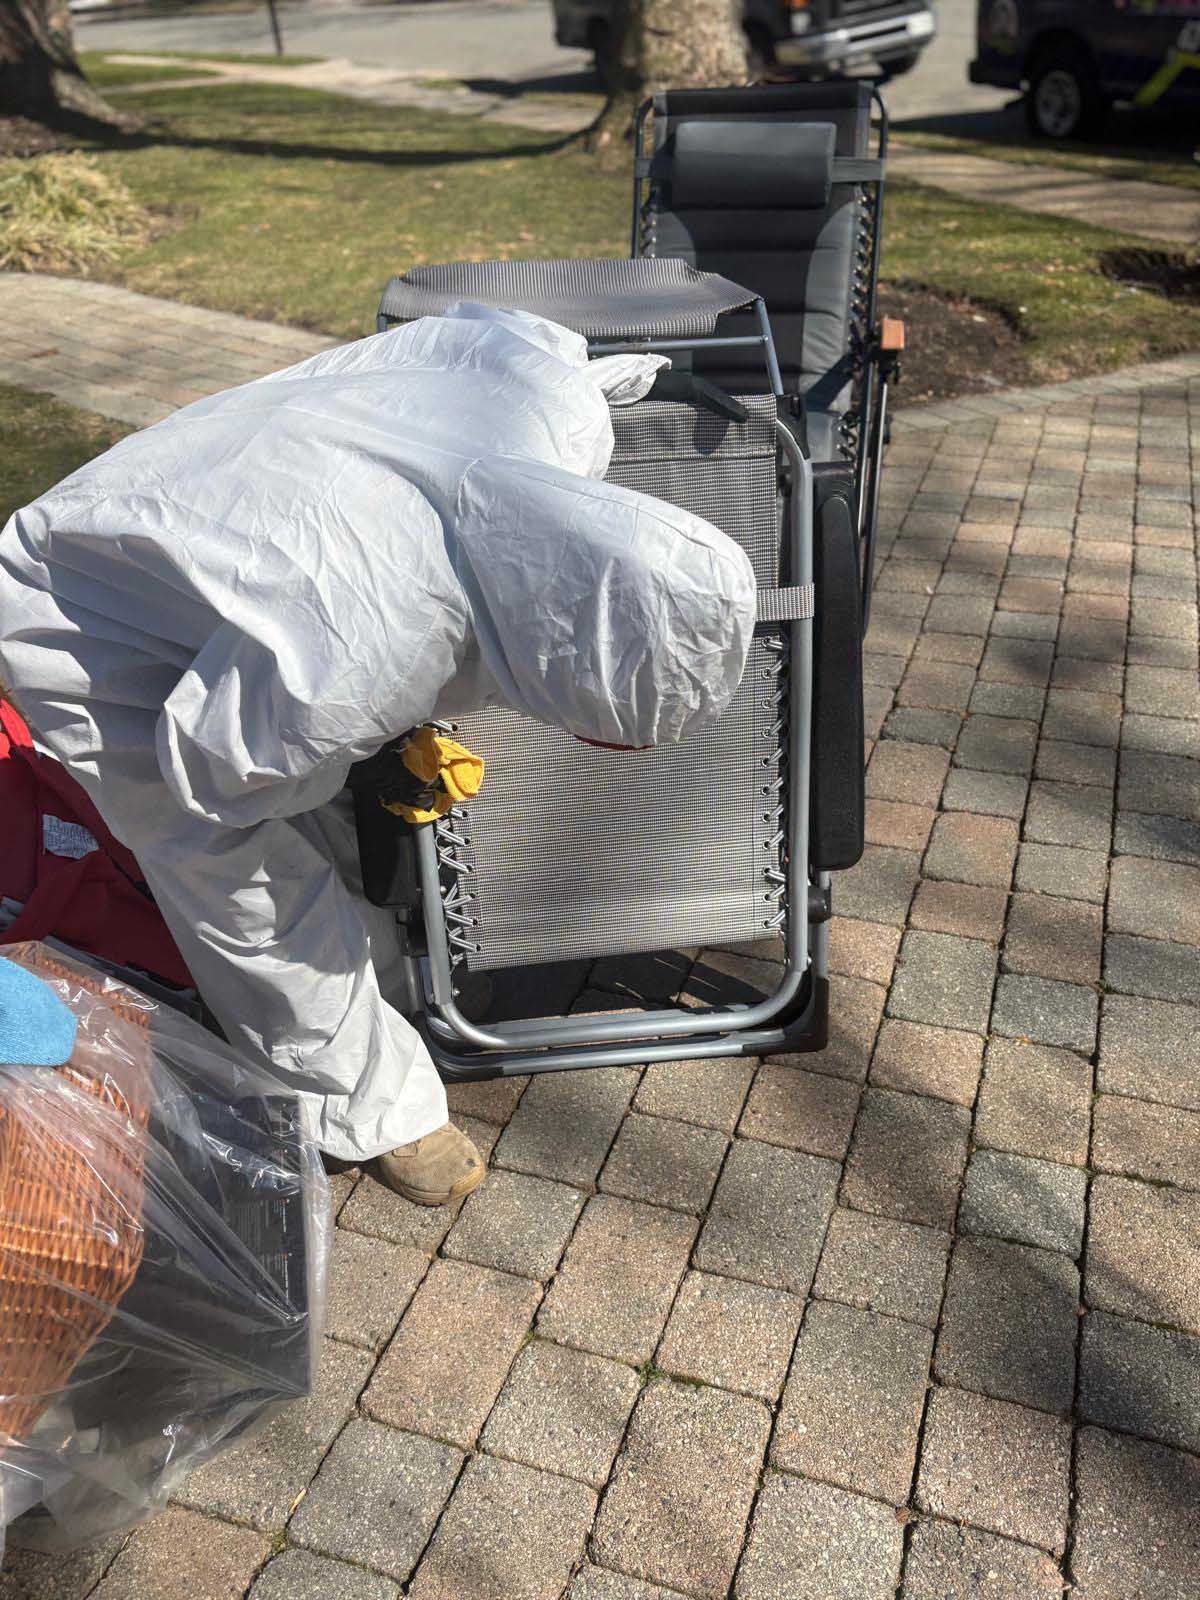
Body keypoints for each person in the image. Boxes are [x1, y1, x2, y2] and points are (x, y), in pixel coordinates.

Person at [0, 306, 755, 1204]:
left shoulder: (554, 426)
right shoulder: (362, 657)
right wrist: (358, 753)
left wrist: (636, 375)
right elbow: (214, 775)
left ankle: (375, 978)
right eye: (595, 728)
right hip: (82, 610)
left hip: (222, 506)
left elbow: (532, 347)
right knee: (243, 884)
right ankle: (372, 1109)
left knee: (314, 789)